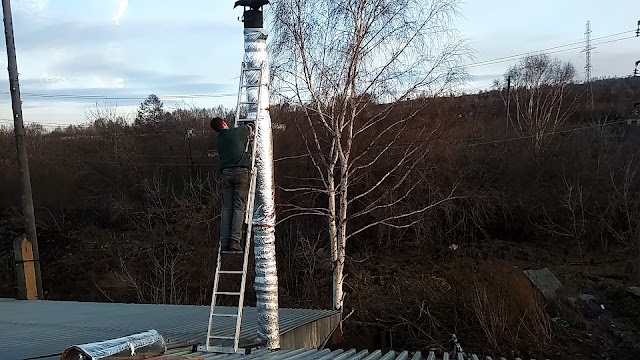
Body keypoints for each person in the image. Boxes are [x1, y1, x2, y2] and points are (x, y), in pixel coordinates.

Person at [210, 117, 253, 252]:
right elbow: (249, 130)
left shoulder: (218, 140)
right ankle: (235, 241)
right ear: (223, 123)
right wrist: (250, 126)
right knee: (239, 207)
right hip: (241, 172)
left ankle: (224, 242)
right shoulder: (234, 133)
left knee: (227, 208)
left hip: (226, 174)